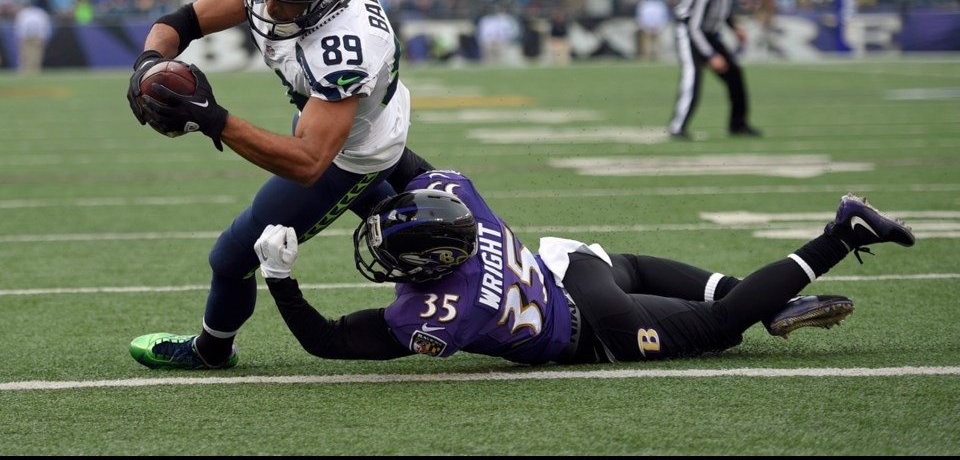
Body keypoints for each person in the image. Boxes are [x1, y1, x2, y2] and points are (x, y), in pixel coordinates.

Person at [137, 169, 915, 367]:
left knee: (720, 327)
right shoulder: (457, 201)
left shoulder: (438, 316)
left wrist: (280, 279)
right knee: (627, 262)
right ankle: (760, 296)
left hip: (592, 327)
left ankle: (840, 236)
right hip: (570, 265)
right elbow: (402, 163)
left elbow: (327, 344)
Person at [126, 0, 435, 370]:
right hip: (348, 124)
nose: (269, 7)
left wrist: (214, 119)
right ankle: (457, 269)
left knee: (232, 257)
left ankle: (211, 351)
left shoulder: (344, 46)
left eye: (284, 1)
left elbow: (310, 162)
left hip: (353, 153)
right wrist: (149, 62)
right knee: (408, 227)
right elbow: (185, 20)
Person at [668, 0, 761, 140]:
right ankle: (677, 127)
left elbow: (722, 12)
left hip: (708, 32)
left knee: (734, 74)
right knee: (692, 77)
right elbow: (694, 26)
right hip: (688, 33)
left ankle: (738, 125)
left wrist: (734, 28)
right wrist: (710, 55)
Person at [13, 0, 53, 74]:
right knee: (36, 55)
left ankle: (26, 71)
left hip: (27, 37)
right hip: (36, 37)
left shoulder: (24, 12)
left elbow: (19, 26)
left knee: (27, 55)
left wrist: (19, 37)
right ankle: (34, 71)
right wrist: (44, 37)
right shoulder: (40, 13)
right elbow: (45, 26)